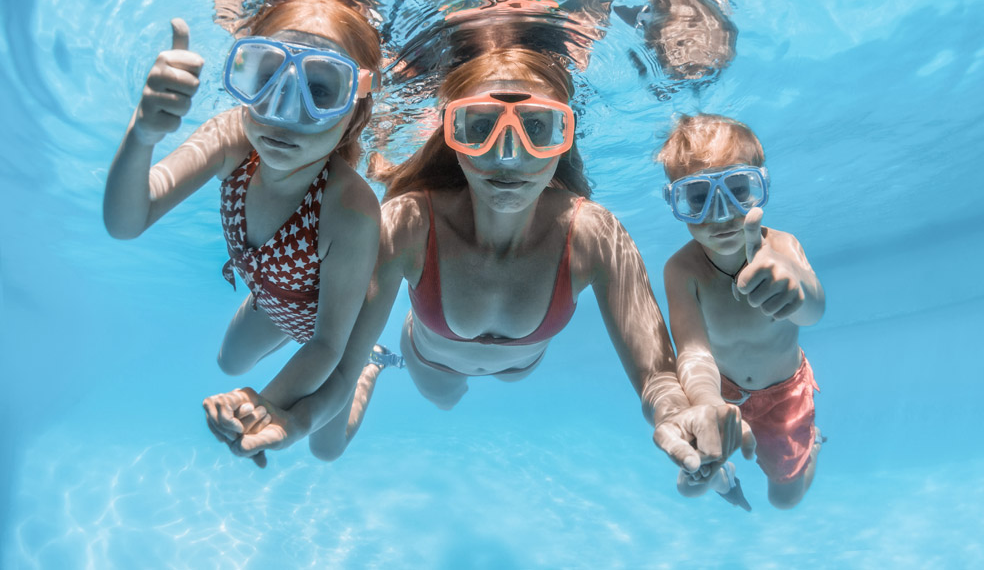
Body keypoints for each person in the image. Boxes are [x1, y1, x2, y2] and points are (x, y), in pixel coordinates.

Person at [205, 47, 753, 476]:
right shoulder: (408, 225)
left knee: (479, 389)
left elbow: (656, 373)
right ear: (451, 134)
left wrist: (675, 413)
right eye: (479, 125)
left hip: (520, 366)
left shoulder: (593, 234)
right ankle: (385, 364)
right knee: (386, 424)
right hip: (432, 360)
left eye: (537, 127)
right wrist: (292, 417)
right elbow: (341, 368)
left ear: (565, 138)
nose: (507, 155)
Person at [103, 0, 391, 466]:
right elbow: (127, 220)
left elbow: (325, 343)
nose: (283, 111)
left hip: (330, 329)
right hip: (272, 303)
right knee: (227, 361)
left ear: (356, 105)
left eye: (321, 90)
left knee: (327, 447)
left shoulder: (349, 208)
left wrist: (264, 403)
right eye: (266, 77)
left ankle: (371, 367)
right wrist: (142, 134)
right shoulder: (233, 139)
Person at [658, 114, 825, 510]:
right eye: (697, 197)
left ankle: (812, 444)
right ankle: (723, 478)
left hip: (782, 394)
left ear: (760, 186)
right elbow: (693, 351)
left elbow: (815, 311)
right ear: (674, 202)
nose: (721, 213)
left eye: (737, 189)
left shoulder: (783, 247)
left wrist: (797, 290)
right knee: (689, 486)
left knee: (784, 498)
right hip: (720, 391)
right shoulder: (682, 271)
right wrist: (707, 401)